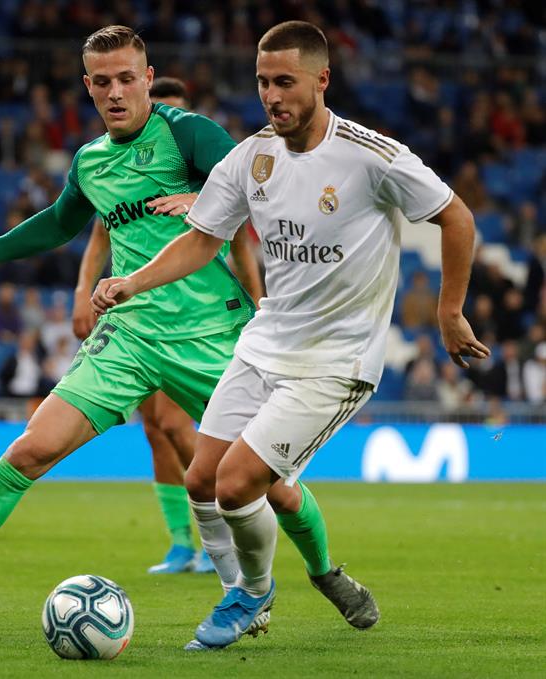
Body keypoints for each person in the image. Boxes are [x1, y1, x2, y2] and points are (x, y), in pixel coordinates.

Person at [0, 27, 365, 637]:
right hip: (129, 335)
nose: (116, 92)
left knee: (273, 490)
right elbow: (57, 223)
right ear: (88, 87)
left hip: (215, 340)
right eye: (103, 82)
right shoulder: (91, 162)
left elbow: (265, 184)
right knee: (30, 449)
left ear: (149, 78)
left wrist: (199, 197)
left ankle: (326, 572)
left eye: (128, 78)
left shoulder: (188, 134)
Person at [91, 21, 488, 650]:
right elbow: (201, 239)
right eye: (261, 82)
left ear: (321, 80)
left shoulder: (369, 155)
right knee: (201, 478)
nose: (271, 96)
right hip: (265, 342)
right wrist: (131, 282)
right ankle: (308, 575)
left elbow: (456, 216)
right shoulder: (252, 157)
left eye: (285, 82)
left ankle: (251, 592)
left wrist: (450, 310)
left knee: (236, 483)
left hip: (336, 361)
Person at [71, 75, 263, 574]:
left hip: (198, 317)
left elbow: (242, 243)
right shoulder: (116, 171)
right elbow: (98, 237)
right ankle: (183, 543)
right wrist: (80, 291)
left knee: (180, 428)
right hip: (141, 317)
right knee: (156, 429)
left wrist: (261, 303)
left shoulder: (204, 175)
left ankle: (222, 525)